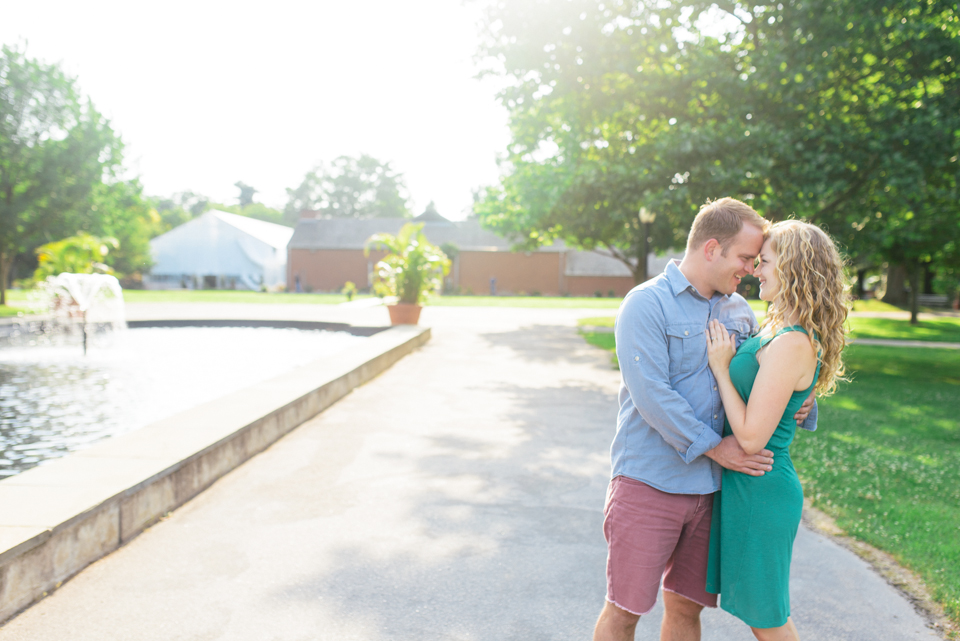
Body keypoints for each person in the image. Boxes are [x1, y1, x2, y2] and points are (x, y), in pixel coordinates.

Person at [593, 198, 816, 641]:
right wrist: (718, 447)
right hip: (650, 483)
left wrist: (803, 403)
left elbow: (770, 374)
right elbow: (652, 395)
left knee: (684, 609)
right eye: (745, 258)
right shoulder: (646, 304)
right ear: (712, 248)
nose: (751, 269)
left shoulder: (739, 312)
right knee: (625, 610)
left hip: (714, 491)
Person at [704, 220, 847, 641]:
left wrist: (721, 369)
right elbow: (781, 395)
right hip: (749, 487)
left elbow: (750, 439)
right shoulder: (778, 329)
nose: (755, 270)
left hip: (763, 489)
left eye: (764, 262)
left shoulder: (791, 342)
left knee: (767, 617)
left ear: (794, 269)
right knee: (758, 613)